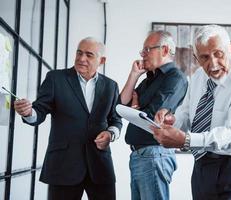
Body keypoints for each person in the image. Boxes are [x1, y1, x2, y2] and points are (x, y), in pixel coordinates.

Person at [152, 25, 231, 200]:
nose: (213, 63)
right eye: (205, 57)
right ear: (196, 58)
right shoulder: (198, 77)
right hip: (201, 165)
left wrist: (187, 140)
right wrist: (170, 120)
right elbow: (185, 113)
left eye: (218, 53)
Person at [14, 37, 122, 200]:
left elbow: (115, 120)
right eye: (79, 53)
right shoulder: (56, 78)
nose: (81, 59)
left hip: (100, 166)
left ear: (102, 60)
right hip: (63, 165)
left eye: (89, 55)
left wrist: (110, 134)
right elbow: (40, 110)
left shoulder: (111, 86)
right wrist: (29, 112)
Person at [120, 30, 188, 200]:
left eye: (147, 50)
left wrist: (136, 107)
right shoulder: (149, 79)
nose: (143, 55)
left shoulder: (175, 78)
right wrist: (134, 75)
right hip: (141, 155)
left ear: (164, 50)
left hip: (154, 155)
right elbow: (122, 105)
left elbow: (151, 118)